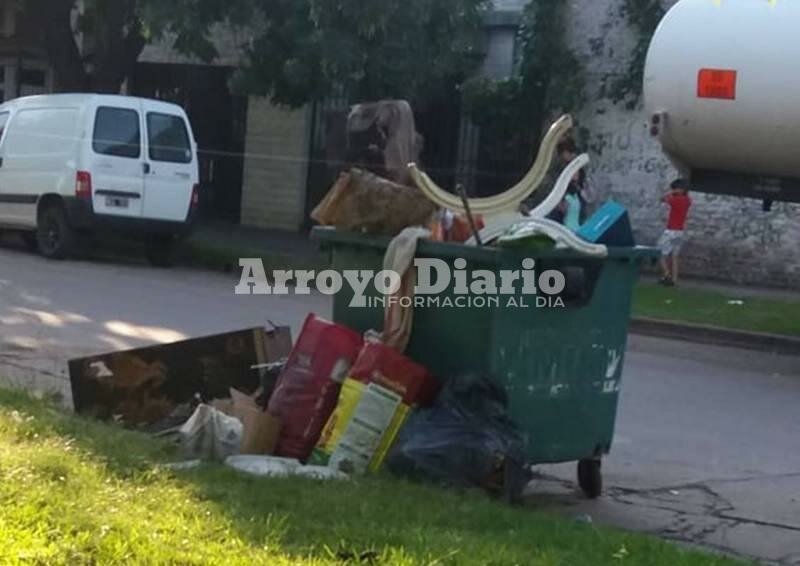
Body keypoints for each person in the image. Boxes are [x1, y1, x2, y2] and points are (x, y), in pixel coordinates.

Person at [657, 178, 693, 286]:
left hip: (671, 231)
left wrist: (672, 193)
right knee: (674, 256)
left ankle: (667, 275)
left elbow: (662, 199)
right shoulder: (687, 200)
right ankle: (675, 280)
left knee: (659, 253)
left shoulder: (675, 199)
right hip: (680, 231)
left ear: (679, 189)